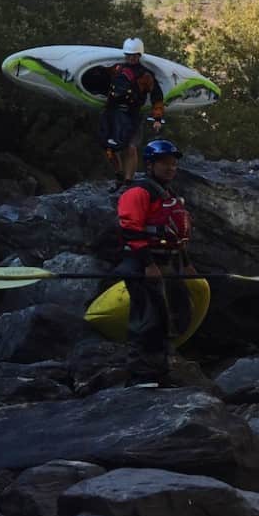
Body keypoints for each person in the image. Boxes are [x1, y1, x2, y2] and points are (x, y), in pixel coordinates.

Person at [115, 139, 195, 378]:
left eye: (173, 164)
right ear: (150, 165)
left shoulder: (169, 195)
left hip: (165, 263)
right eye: (164, 164)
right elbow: (131, 230)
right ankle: (141, 375)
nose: (171, 168)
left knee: (173, 316)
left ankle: (160, 370)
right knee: (148, 320)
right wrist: (148, 264)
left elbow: (175, 233)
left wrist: (187, 263)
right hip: (140, 264)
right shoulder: (139, 192)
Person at [99, 38, 165, 190]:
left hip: (132, 115)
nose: (131, 58)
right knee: (108, 148)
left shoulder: (146, 76)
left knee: (131, 147)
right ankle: (119, 175)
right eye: (128, 55)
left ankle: (128, 182)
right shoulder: (116, 69)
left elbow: (157, 97)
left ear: (139, 55)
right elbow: (100, 79)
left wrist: (157, 118)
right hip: (112, 112)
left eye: (134, 55)